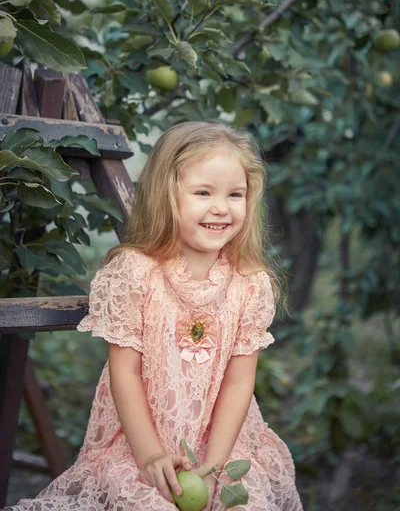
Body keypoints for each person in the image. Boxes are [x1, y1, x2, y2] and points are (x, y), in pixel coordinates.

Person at [8, 121, 303, 511]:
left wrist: (212, 469)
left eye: (235, 194)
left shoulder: (250, 284)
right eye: (203, 192)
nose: (221, 207)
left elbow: (237, 384)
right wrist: (149, 458)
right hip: (141, 445)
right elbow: (125, 374)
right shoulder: (135, 274)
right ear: (167, 196)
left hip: (224, 446)